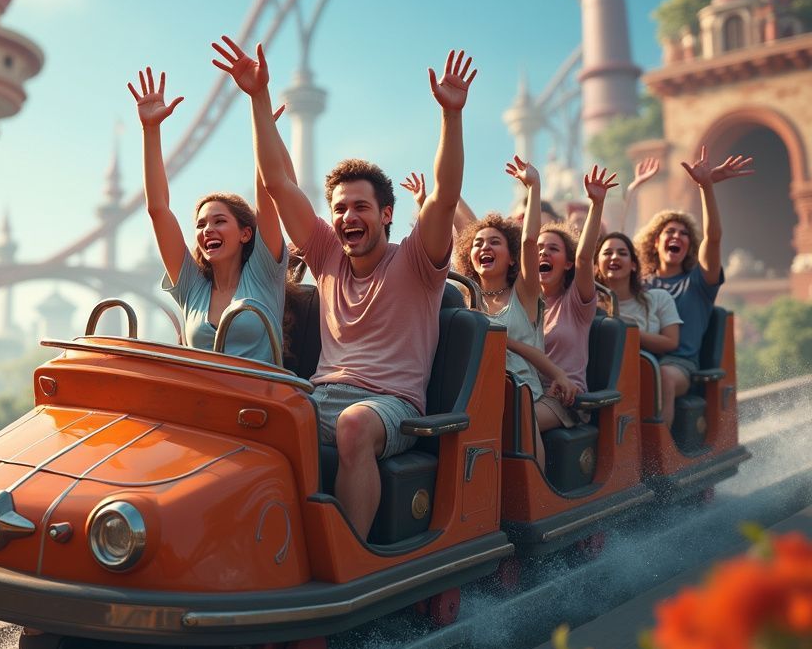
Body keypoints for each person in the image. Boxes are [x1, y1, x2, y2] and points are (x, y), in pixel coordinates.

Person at [214, 37, 474, 540]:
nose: (348, 216)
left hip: (389, 407)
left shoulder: (418, 261)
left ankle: (349, 560)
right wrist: (258, 99)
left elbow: (442, 198)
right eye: (340, 208)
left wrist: (452, 116)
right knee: (251, 412)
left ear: (387, 215)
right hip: (321, 394)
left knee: (354, 425)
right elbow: (277, 184)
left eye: (361, 207)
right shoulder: (327, 253)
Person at [126, 66, 288, 364]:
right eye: (201, 224)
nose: (207, 230)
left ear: (245, 233)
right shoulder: (192, 285)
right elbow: (157, 209)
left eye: (219, 221)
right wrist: (150, 131)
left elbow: (269, 184)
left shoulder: (264, 273)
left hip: (258, 406)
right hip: (203, 403)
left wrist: (258, 102)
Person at [448, 157, 577, 465]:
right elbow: (459, 217)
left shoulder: (525, 293)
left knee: (518, 420)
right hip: (482, 398)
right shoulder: (467, 300)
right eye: (478, 243)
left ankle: (537, 503)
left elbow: (531, 241)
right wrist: (445, 192)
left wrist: (534, 188)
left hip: (528, 398)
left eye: (495, 242)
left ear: (510, 258)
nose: (484, 247)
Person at [635, 146, 754, 422]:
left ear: (689, 245)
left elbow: (713, 238)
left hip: (678, 365)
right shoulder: (640, 283)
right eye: (669, 232)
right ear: (655, 241)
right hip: (639, 358)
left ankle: (658, 459)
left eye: (683, 234)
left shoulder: (698, 282)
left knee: (661, 375)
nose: (676, 236)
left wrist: (706, 187)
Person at [537, 165, 618, 423]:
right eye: (538, 248)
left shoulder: (575, 302)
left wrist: (596, 204)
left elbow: (585, 257)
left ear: (567, 263)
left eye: (553, 249)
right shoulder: (525, 303)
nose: (544, 254)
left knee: (519, 424)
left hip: (566, 398)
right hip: (527, 391)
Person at [595, 231, 683, 424]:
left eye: (622, 253)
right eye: (607, 253)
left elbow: (671, 341)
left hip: (648, 374)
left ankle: (660, 450)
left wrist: (628, 332)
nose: (614, 257)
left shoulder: (658, 298)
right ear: (596, 265)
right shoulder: (590, 307)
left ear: (634, 265)